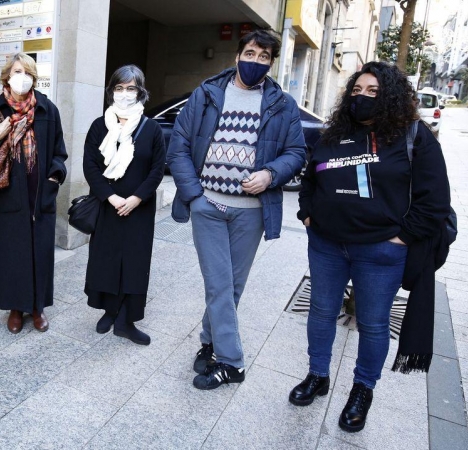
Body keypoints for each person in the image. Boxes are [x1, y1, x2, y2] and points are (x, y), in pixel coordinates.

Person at [290, 61, 451, 432]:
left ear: (391, 97)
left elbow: (434, 199)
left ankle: (362, 389)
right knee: (320, 312)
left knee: (374, 325)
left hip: (380, 253)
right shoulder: (334, 135)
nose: (362, 97)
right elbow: (311, 180)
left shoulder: (413, 136)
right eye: (357, 91)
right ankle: (318, 375)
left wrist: (401, 237)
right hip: (327, 246)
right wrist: (307, 214)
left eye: (373, 92)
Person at [167, 29, 306, 390]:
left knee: (232, 286)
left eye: (264, 57)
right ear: (237, 55)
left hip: (252, 212)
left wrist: (270, 174)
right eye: (250, 53)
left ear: (271, 63)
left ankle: (210, 343)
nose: (255, 61)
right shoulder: (207, 94)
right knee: (219, 283)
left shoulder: (282, 103)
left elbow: (296, 152)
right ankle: (232, 363)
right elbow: (178, 146)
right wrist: (195, 195)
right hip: (208, 206)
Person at [0, 53, 67, 334]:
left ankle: (37, 307)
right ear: (6, 78)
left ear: (34, 77)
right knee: (13, 253)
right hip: (9, 195)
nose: (20, 77)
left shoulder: (48, 109)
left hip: (41, 194)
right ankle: (14, 308)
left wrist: (54, 176)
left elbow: (60, 152)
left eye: (26, 72)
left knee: (40, 252)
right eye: (15, 72)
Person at [82, 65, 166, 345]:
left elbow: (157, 169)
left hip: (138, 208)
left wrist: (136, 199)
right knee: (105, 260)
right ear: (111, 91)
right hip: (108, 205)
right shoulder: (98, 126)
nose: (124, 94)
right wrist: (111, 197)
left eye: (131, 88)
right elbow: (90, 166)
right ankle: (108, 311)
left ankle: (126, 320)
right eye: (119, 88)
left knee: (134, 263)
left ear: (140, 92)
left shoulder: (151, 128)